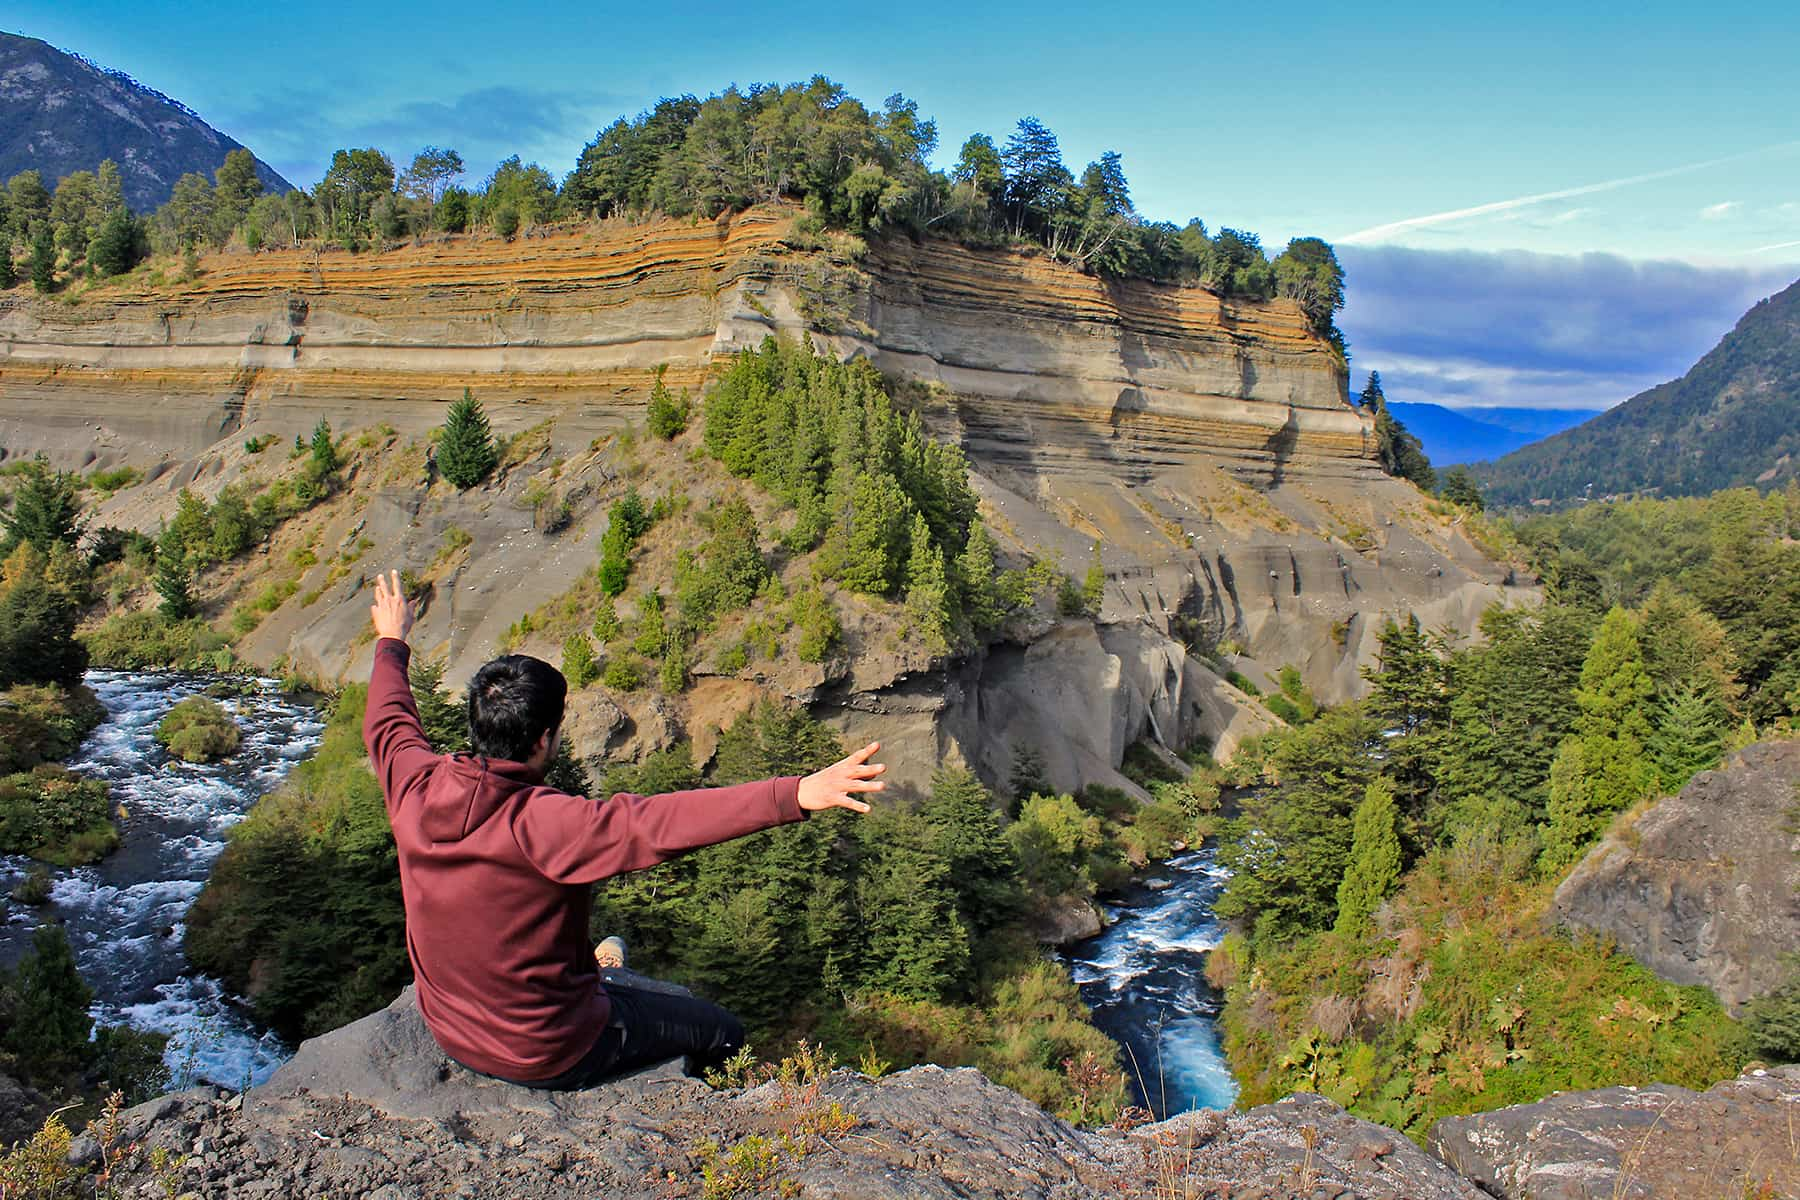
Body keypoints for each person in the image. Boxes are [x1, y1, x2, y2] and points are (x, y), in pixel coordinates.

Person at [362, 570, 885, 1088]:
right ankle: (709, 1106)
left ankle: (600, 969)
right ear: (545, 740)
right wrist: (795, 793)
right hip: (547, 1048)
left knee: (603, 960)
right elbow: (661, 823)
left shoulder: (414, 785)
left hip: (451, 1028)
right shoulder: (543, 825)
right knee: (721, 1030)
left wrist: (392, 640)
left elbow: (388, 719)